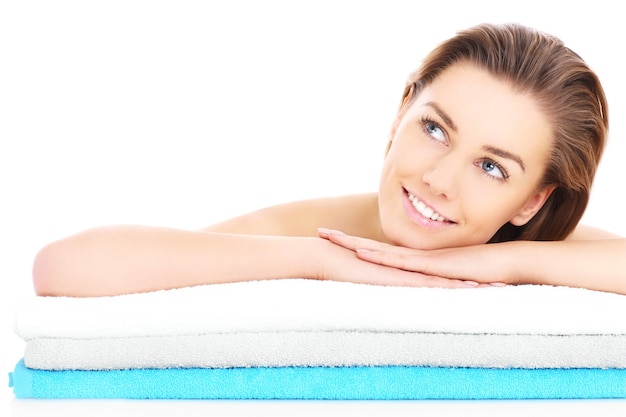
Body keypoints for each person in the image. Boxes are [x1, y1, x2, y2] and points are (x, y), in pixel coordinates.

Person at [32, 22, 626, 297]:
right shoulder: (298, 232)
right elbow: (61, 268)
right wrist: (321, 261)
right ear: (401, 114)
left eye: (491, 167)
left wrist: (509, 264)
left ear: (532, 201)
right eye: (436, 129)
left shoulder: (529, 250)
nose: (438, 180)